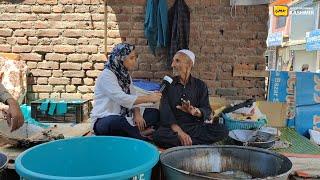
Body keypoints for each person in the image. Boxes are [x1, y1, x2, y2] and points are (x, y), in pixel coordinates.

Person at [153, 49, 229, 148]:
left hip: (194, 127)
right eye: (173, 61)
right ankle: (193, 143)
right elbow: (165, 112)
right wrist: (180, 133)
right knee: (158, 136)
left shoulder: (200, 85)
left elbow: (207, 109)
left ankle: (186, 143)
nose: (172, 65)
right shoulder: (168, 85)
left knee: (222, 130)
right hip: (174, 128)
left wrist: (197, 112)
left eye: (177, 61)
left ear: (189, 64)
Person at [91, 43, 162, 140]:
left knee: (154, 114)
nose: (134, 61)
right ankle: (140, 136)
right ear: (121, 58)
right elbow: (122, 98)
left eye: (135, 58)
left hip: (127, 116)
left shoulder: (125, 75)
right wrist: (148, 98)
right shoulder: (107, 75)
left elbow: (133, 95)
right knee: (117, 122)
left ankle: (133, 133)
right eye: (131, 58)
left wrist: (137, 113)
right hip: (105, 118)